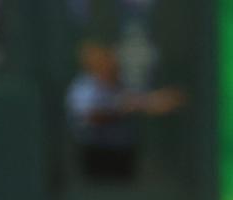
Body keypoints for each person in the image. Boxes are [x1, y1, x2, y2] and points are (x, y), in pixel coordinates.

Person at [66, 41, 184, 181]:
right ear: (92, 65)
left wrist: (160, 101)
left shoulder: (116, 83)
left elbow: (139, 101)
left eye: (109, 59)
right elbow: (92, 117)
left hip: (124, 153)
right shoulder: (82, 88)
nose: (111, 64)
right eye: (103, 61)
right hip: (97, 156)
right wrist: (121, 109)